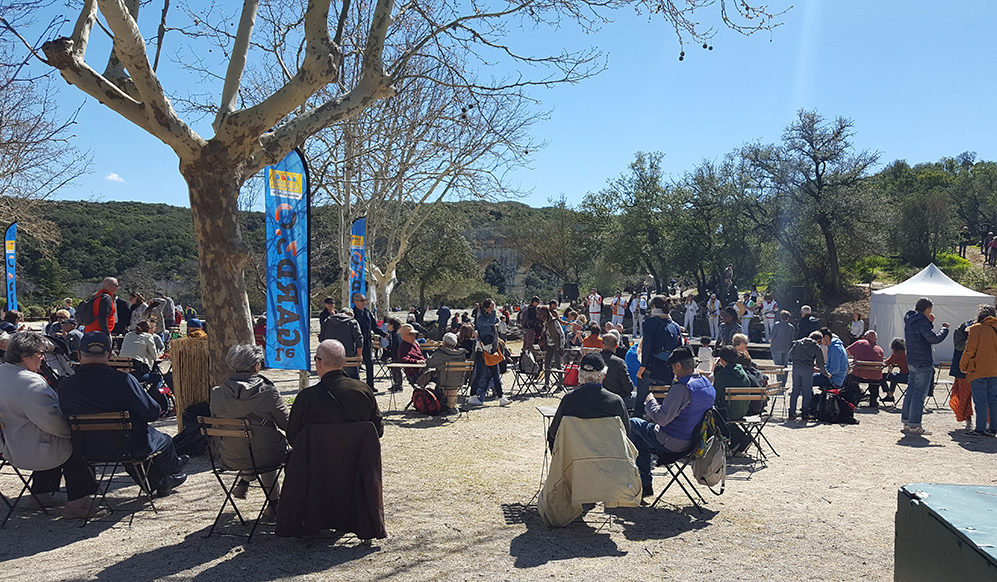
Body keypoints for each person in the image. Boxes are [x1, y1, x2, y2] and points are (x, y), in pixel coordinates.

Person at [59, 332, 188, 497]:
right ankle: (172, 467)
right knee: (164, 440)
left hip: (85, 448)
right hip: (130, 446)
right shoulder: (123, 380)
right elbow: (152, 413)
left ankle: (161, 481)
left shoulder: (66, 385)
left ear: (78, 354)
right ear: (110, 354)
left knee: (137, 438)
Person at [0, 332, 99, 518]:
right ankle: (78, 503)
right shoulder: (30, 383)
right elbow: (54, 424)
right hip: (33, 450)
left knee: (47, 435)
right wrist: (75, 430)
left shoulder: (3, 373)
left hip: (10, 445)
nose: (43, 357)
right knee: (78, 440)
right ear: (24, 356)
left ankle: (40, 494)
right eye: (40, 353)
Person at [210, 344, 289, 520]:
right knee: (279, 451)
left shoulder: (216, 393)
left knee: (254, 443)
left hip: (230, 456)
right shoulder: (267, 391)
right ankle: (280, 503)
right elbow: (287, 425)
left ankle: (248, 481)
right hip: (265, 455)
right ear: (256, 366)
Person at [628, 346, 716, 498]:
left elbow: (662, 419)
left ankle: (642, 481)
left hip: (672, 441)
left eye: (673, 368)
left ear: (679, 366)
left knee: (634, 423)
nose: (673, 372)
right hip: (693, 441)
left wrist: (650, 402)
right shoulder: (706, 383)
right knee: (642, 439)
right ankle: (644, 481)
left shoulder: (682, 387)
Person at [286, 339, 383, 447]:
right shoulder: (363, 390)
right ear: (344, 362)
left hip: (316, 461)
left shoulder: (306, 398)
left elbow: (293, 437)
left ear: (318, 362)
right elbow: (378, 430)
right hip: (358, 459)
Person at [547, 353, 629, 450]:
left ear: (580, 374)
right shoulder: (616, 402)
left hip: (575, 460)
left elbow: (554, 432)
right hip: (608, 459)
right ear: (603, 375)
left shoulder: (569, 399)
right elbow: (626, 433)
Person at [902, 297, 949, 436]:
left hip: (911, 360)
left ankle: (906, 422)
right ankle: (915, 425)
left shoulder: (910, 319)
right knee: (919, 394)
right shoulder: (922, 320)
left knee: (910, 391)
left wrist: (929, 323)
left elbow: (921, 335)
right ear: (927, 309)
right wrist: (944, 329)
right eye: (930, 310)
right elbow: (933, 338)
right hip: (923, 361)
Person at [635, 296, 682, 409]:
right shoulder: (675, 326)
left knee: (641, 397)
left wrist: (643, 366)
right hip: (669, 370)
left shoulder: (649, 322)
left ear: (653, 307)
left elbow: (647, 345)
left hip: (651, 367)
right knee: (664, 399)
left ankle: (638, 415)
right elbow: (680, 349)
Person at [959, 304, 997, 437]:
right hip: (995, 371)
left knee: (980, 401)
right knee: (993, 400)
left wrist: (963, 366)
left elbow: (969, 350)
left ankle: (980, 428)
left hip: (978, 369)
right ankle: (993, 428)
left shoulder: (976, 329)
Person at [469, 300, 507, 406]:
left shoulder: (487, 317)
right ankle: (472, 396)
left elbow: (495, 321)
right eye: (491, 307)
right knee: (480, 374)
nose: (493, 309)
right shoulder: (481, 318)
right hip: (483, 350)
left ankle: (501, 397)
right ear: (486, 308)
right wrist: (494, 312)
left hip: (490, 350)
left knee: (495, 374)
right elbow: (491, 322)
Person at [788, 330, 827, 421]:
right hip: (808, 370)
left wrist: (797, 361)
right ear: (818, 340)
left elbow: (790, 355)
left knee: (795, 391)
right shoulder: (816, 347)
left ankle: (791, 412)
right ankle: (805, 413)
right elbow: (820, 363)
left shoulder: (798, 343)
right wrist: (825, 373)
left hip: (796, 368)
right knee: (807, 392)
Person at [352, 293, 385, 392]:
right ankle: (355, 386)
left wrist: (385, 335)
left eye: (365, 300)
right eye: (362, 301)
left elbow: (375, 327)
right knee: (355, 364)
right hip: (356, 343)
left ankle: (370, 385)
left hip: (367, 342)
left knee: (369, 364)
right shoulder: (352, 313)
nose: (364, 303)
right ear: (356, 302)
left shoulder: (367, 312)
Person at [318, 308, 364, 379]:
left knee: (330, 379)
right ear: (349, 314)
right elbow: (359, 339)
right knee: (353, 380)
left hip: (330, 357)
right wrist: (359, 355)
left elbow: (321, 338)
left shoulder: (327, 321)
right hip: (349, 356)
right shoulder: (352, 322)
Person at [846, 330, 886, 408]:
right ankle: (873, 399)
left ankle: (857, 395)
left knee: (848, 377)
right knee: (874, 376)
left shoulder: (859, 343)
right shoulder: (880, 349)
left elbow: (845, 352)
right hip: (875, 379)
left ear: (865, 337)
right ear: (876, 339)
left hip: (859, 376)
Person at [712, 345, 752, 421]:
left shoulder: (721, 375)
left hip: (727, 412)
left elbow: (715, 397)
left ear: (722, 360)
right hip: (743, 411)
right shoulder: (743, 372)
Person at [599, 333, 634, 405]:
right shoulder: (619, 362)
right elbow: (628, 386)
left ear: (602, 344)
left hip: (598, 396)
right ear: (616, 346)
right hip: (618, 398)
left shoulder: (594, 360)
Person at [538, 305, 565, 391]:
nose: (540, 316)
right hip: (549, 346)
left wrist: (561, 347)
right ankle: (546, 385)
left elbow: (561, 334)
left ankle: (560, 385)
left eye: (541, 314)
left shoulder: (554, 322)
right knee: (547, 364)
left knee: (558, 365)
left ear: (546, 313)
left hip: (556, 346)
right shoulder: (545, 323)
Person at [769, 310, 794, 385]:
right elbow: (792, 339)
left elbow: (771, 337)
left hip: (776, 348)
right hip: (786, 348)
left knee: (778, 366)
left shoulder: (776, 325)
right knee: (785, 366)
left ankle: (779, 383)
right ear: (788, 318)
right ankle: (783, 384)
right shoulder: (791, 327)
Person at [882, 338, 908, 404]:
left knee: (881, 376)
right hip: (910, 376)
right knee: (894, 375)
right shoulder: (905, 352)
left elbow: (886, 363)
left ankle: (889, 393)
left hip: (905, 377)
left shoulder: (897, 354)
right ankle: (890, 394)